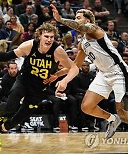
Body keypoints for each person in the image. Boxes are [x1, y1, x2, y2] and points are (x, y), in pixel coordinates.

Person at [0, 23, 79, 147]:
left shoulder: (57, 51)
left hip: (39, 88)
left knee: (18, 118)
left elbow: (74, 68)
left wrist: (60, 77)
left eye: (52, 37)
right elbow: (7, 56)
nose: (49, 39)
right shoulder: (30, 45)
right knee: (11, 107)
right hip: (24, 81)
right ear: (39, 36)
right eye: (46, 36)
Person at [51, 4, 128, 139]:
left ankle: (118, 117)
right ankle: (112, 119)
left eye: (78, 17)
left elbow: (80, 27)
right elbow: (75, 66)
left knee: (123, 112)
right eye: (75, 17)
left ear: (87, 21)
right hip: (103, 74)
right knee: (86, 106)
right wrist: (58, 76)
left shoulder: (94, 29)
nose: (76, 19)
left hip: (118, 72)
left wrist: (60, 20)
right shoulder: (82, 43)